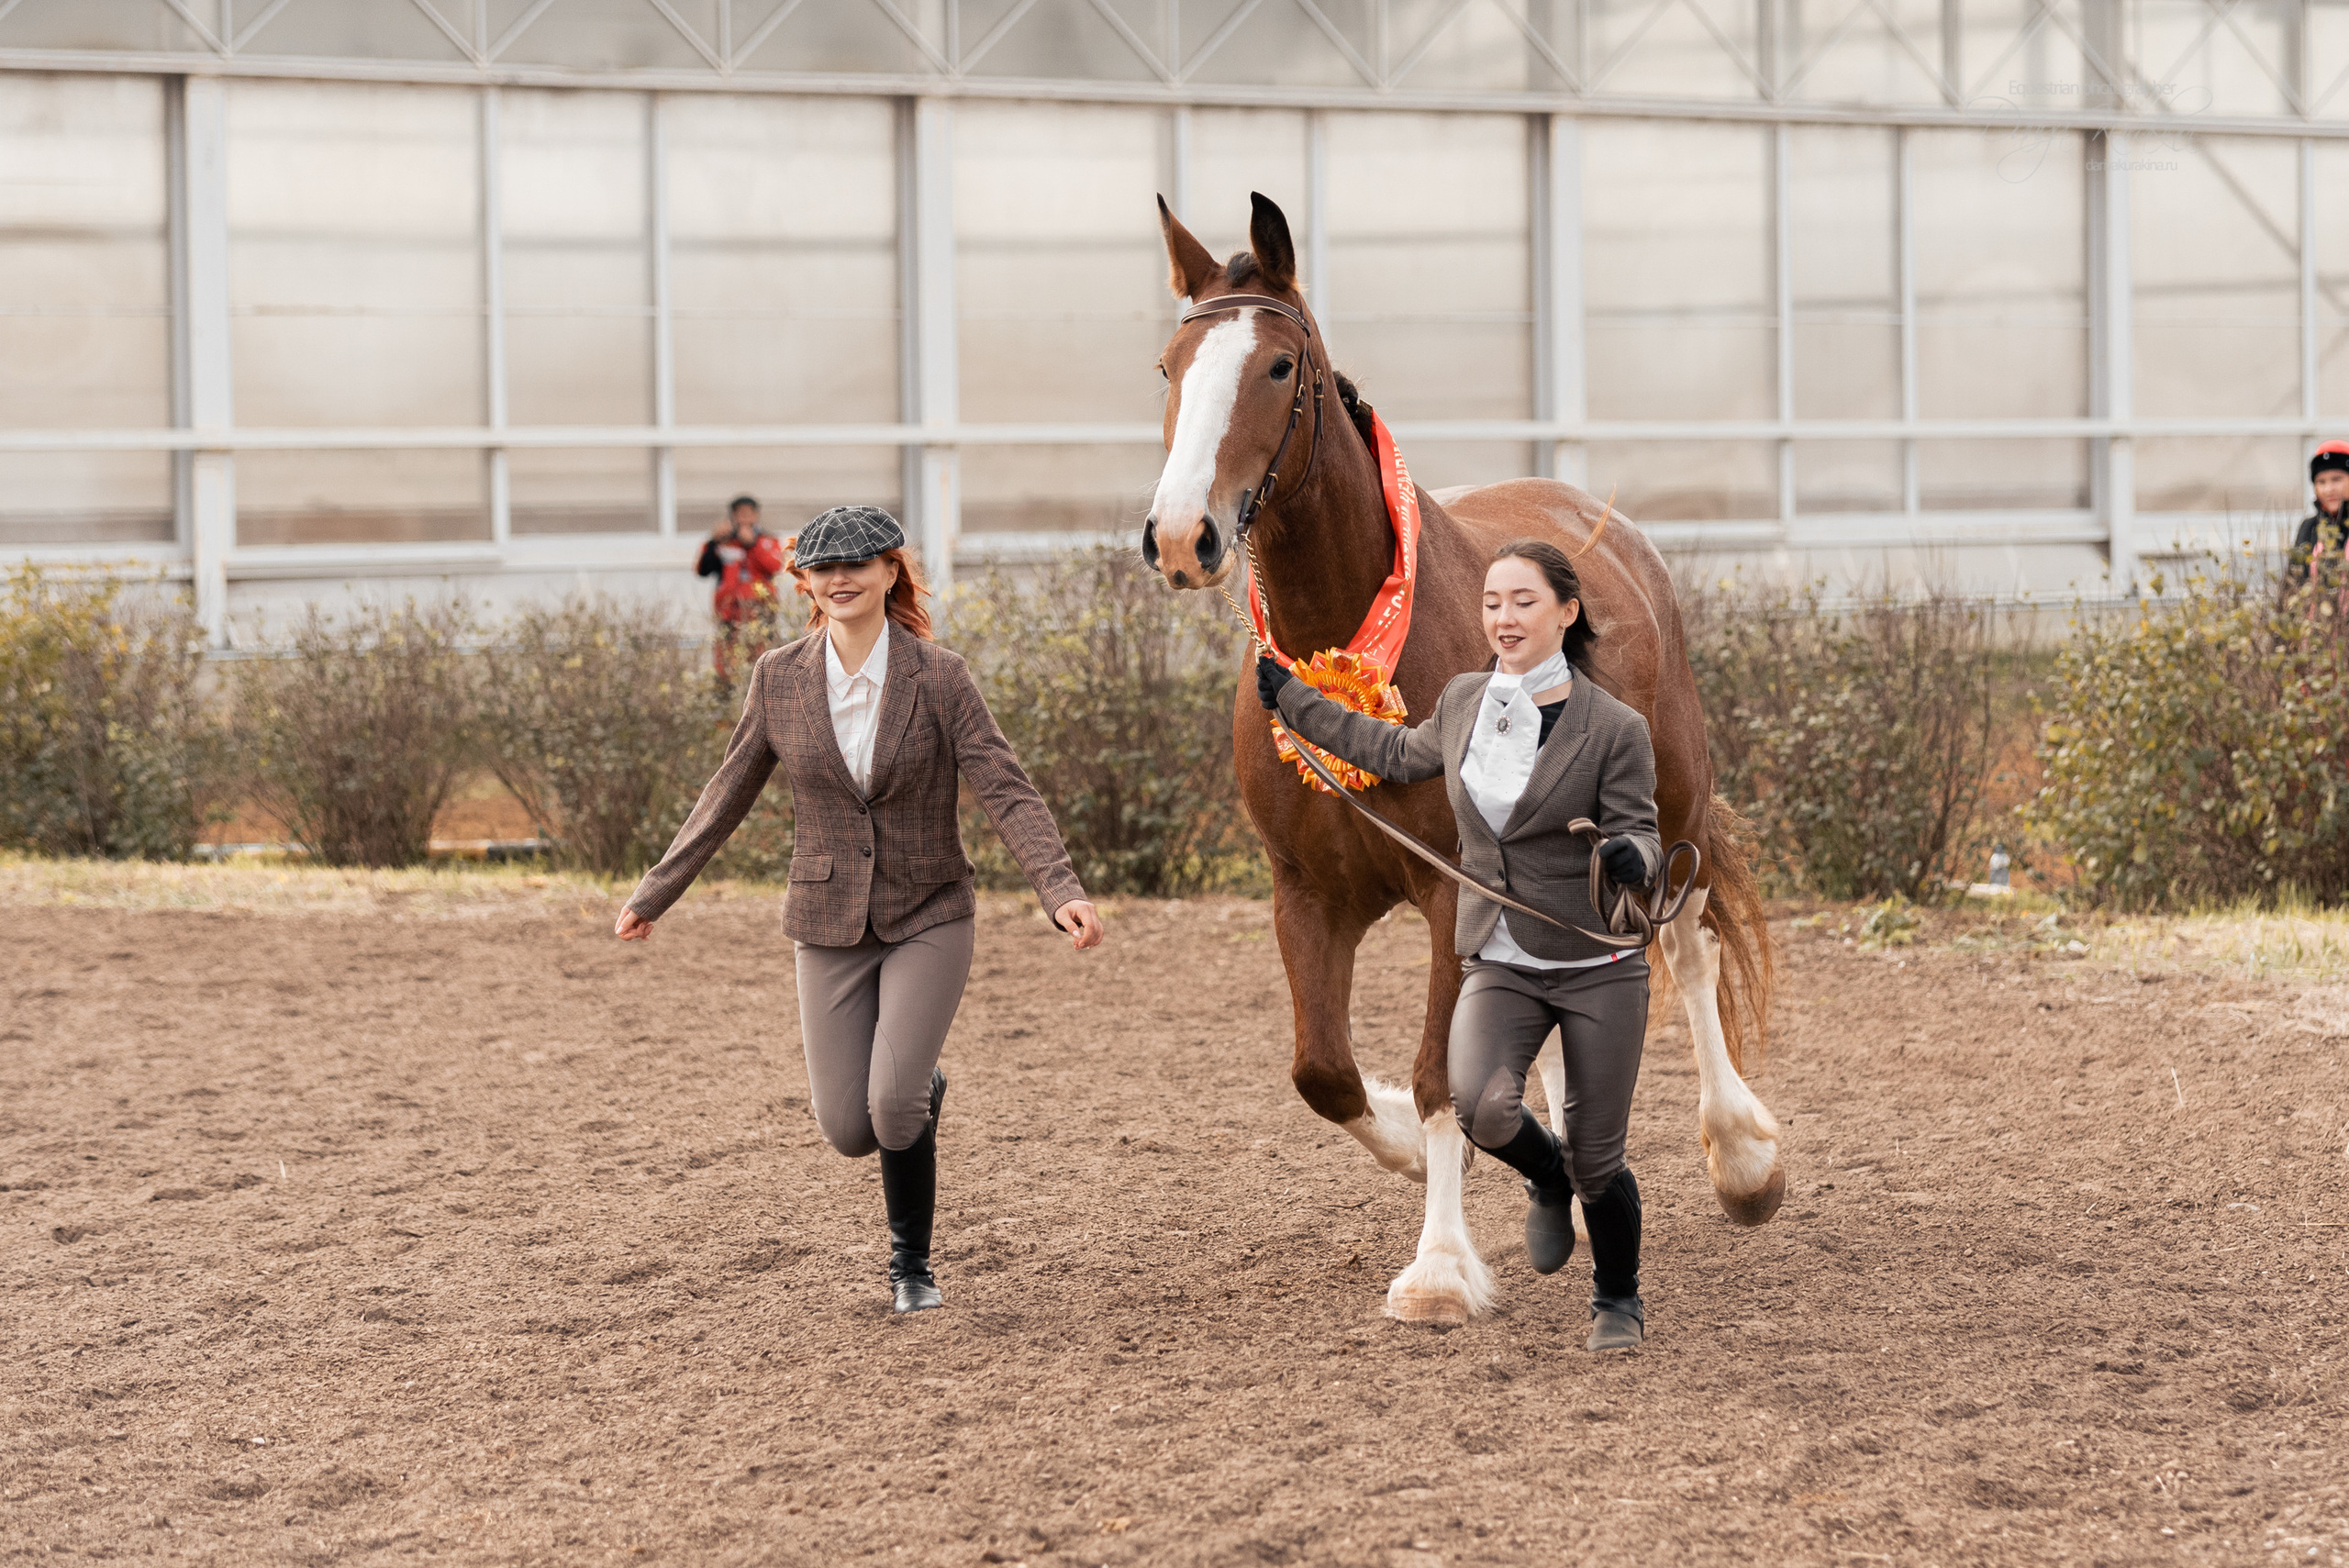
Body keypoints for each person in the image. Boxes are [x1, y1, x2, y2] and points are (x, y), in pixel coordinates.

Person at [617, 504, 1105, 1315]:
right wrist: (656, 891)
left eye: (858, 564)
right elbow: (727, 791)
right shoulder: (778, 678)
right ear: (804, 581)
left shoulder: (939, 676)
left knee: (892, 1107)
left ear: (889, 571)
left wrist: (1061, 890)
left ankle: (912, 1266)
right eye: (823, 567)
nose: (840, 578)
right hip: (827, 917)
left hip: (930, 911)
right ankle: (918, 1086)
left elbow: (1006, 788)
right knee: (849, 1125)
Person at [1254, 538, 1662, 1353]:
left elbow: (1647, 837)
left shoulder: (1616, 729)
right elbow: (1390, 752)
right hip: (1501, 958)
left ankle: (1617, 1295)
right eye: (1492, 603)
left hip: (1595, 965)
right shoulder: (1466, 700)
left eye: (1523, 602)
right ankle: (1545, 1175)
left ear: (1567, 612)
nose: (1504, 618)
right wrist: (1297, 702)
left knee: (1597, 1156)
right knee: (1479, 1103)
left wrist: (1631, 856)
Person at [698, 495, 785, 629]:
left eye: (748, 514)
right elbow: (703, 570)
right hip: (728, 610)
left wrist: (753, 544)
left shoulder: (768, 541)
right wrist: (713, 542)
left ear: (756, 516)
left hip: (761, 606)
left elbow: (776, 567)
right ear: (733, 516)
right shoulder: (724, 542)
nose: (744, 519)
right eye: (740, 515)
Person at [2292, 443, 2349, 585]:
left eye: (2336, 479)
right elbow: (2294, 583)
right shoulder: (2309, 527)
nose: (2329, 489)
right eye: (2321, 482)